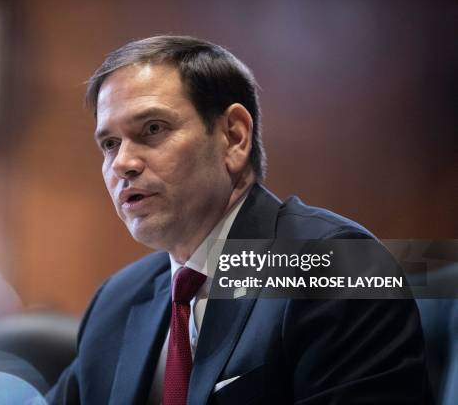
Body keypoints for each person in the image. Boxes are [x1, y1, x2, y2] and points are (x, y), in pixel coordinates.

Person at [46, 36, 432, 404]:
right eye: (109, 144)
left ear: (233, 137)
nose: (123, 164)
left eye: (152, 129)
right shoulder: (118, 300)